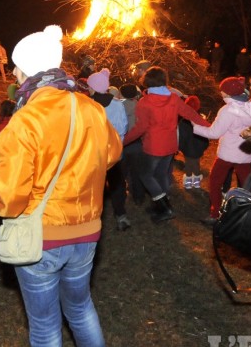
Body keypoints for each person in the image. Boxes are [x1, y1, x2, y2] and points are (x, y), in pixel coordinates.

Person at [0, 24, 122, 347]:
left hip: (42, 239)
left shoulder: (26, 119)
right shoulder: (90, 107)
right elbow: (111, 154)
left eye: (16, 68)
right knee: (81, 309)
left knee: (46, 326)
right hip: (87, 231)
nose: (13, 75)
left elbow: (7, 200)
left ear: (28, 70)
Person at [123, 65, 210, 222]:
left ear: (146, 81)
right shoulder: (174, 98)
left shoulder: (144, 102)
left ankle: (163, 206)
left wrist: (123, 141)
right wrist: (209, 126)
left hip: (153, 146)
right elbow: (191, 114)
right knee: (161, 174)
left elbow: (140, 128)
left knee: (146, 175)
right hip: (170, 145)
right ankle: (162, 203)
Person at [192, 77, 251, 227]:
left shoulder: (228, 110)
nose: (220, 92)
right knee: (247, 186)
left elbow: (214, 133)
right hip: (245, 154)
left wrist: (195, 126)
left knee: (215, 182)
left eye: (222, 90)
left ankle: (215, 213)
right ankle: (246, 214)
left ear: (227, 93)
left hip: (228, 154)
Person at [87, 67, 130, 231]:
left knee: (93, 184)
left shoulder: (88, 104)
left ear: (92, 87)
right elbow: (123, 127)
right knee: (117, 183)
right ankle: (121, 215)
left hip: (94, 151)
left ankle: (93, 216)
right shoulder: (117, 104)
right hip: (114, 150)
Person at [177, 95, 209, 189]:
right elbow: (205, 135)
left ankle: (188, 183)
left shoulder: (183, 121)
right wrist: (204, 146)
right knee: (196, 164)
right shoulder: (200, 120)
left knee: (188, 163)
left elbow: (181, 136)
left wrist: (180, 147)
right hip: (198, 148)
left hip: (187, 148)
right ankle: (196, 183)